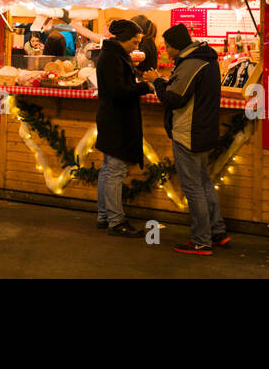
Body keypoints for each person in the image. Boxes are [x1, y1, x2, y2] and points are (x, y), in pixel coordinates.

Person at [151, 23, 227, 255]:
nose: (164, 50)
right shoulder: (206, 58)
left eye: (166, 46)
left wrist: (157, 82)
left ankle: (201, 240)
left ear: (175, 46)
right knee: (203, 182)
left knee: (193, 187)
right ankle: (217, 231)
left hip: (189, 133)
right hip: (204, 130)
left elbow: (174, 98)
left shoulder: (191, 63)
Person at [95, 18, 155, 237]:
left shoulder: (114, 55)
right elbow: (118, 92)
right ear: (123, 40)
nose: (137, 47)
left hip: (112, 118)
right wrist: (144, 87)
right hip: (115, 120)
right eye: (135, 42)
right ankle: (116, 221)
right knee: (115, 171)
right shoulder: (112, 58)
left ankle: (104, 216)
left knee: (109, 169)